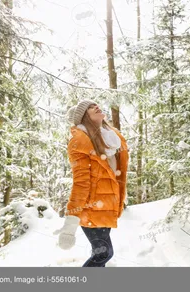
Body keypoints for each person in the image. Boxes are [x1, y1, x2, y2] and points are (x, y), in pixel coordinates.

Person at [53, 99, 129, 267]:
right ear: (83, 117)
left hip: (105, 207)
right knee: (104, 253)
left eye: (95, 104)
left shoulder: (110, 138)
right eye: (89, 107)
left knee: (101, 255)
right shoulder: (80, 142)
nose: (95, 106)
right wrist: (70, 223)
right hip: (90, 208)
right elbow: (80, 182)